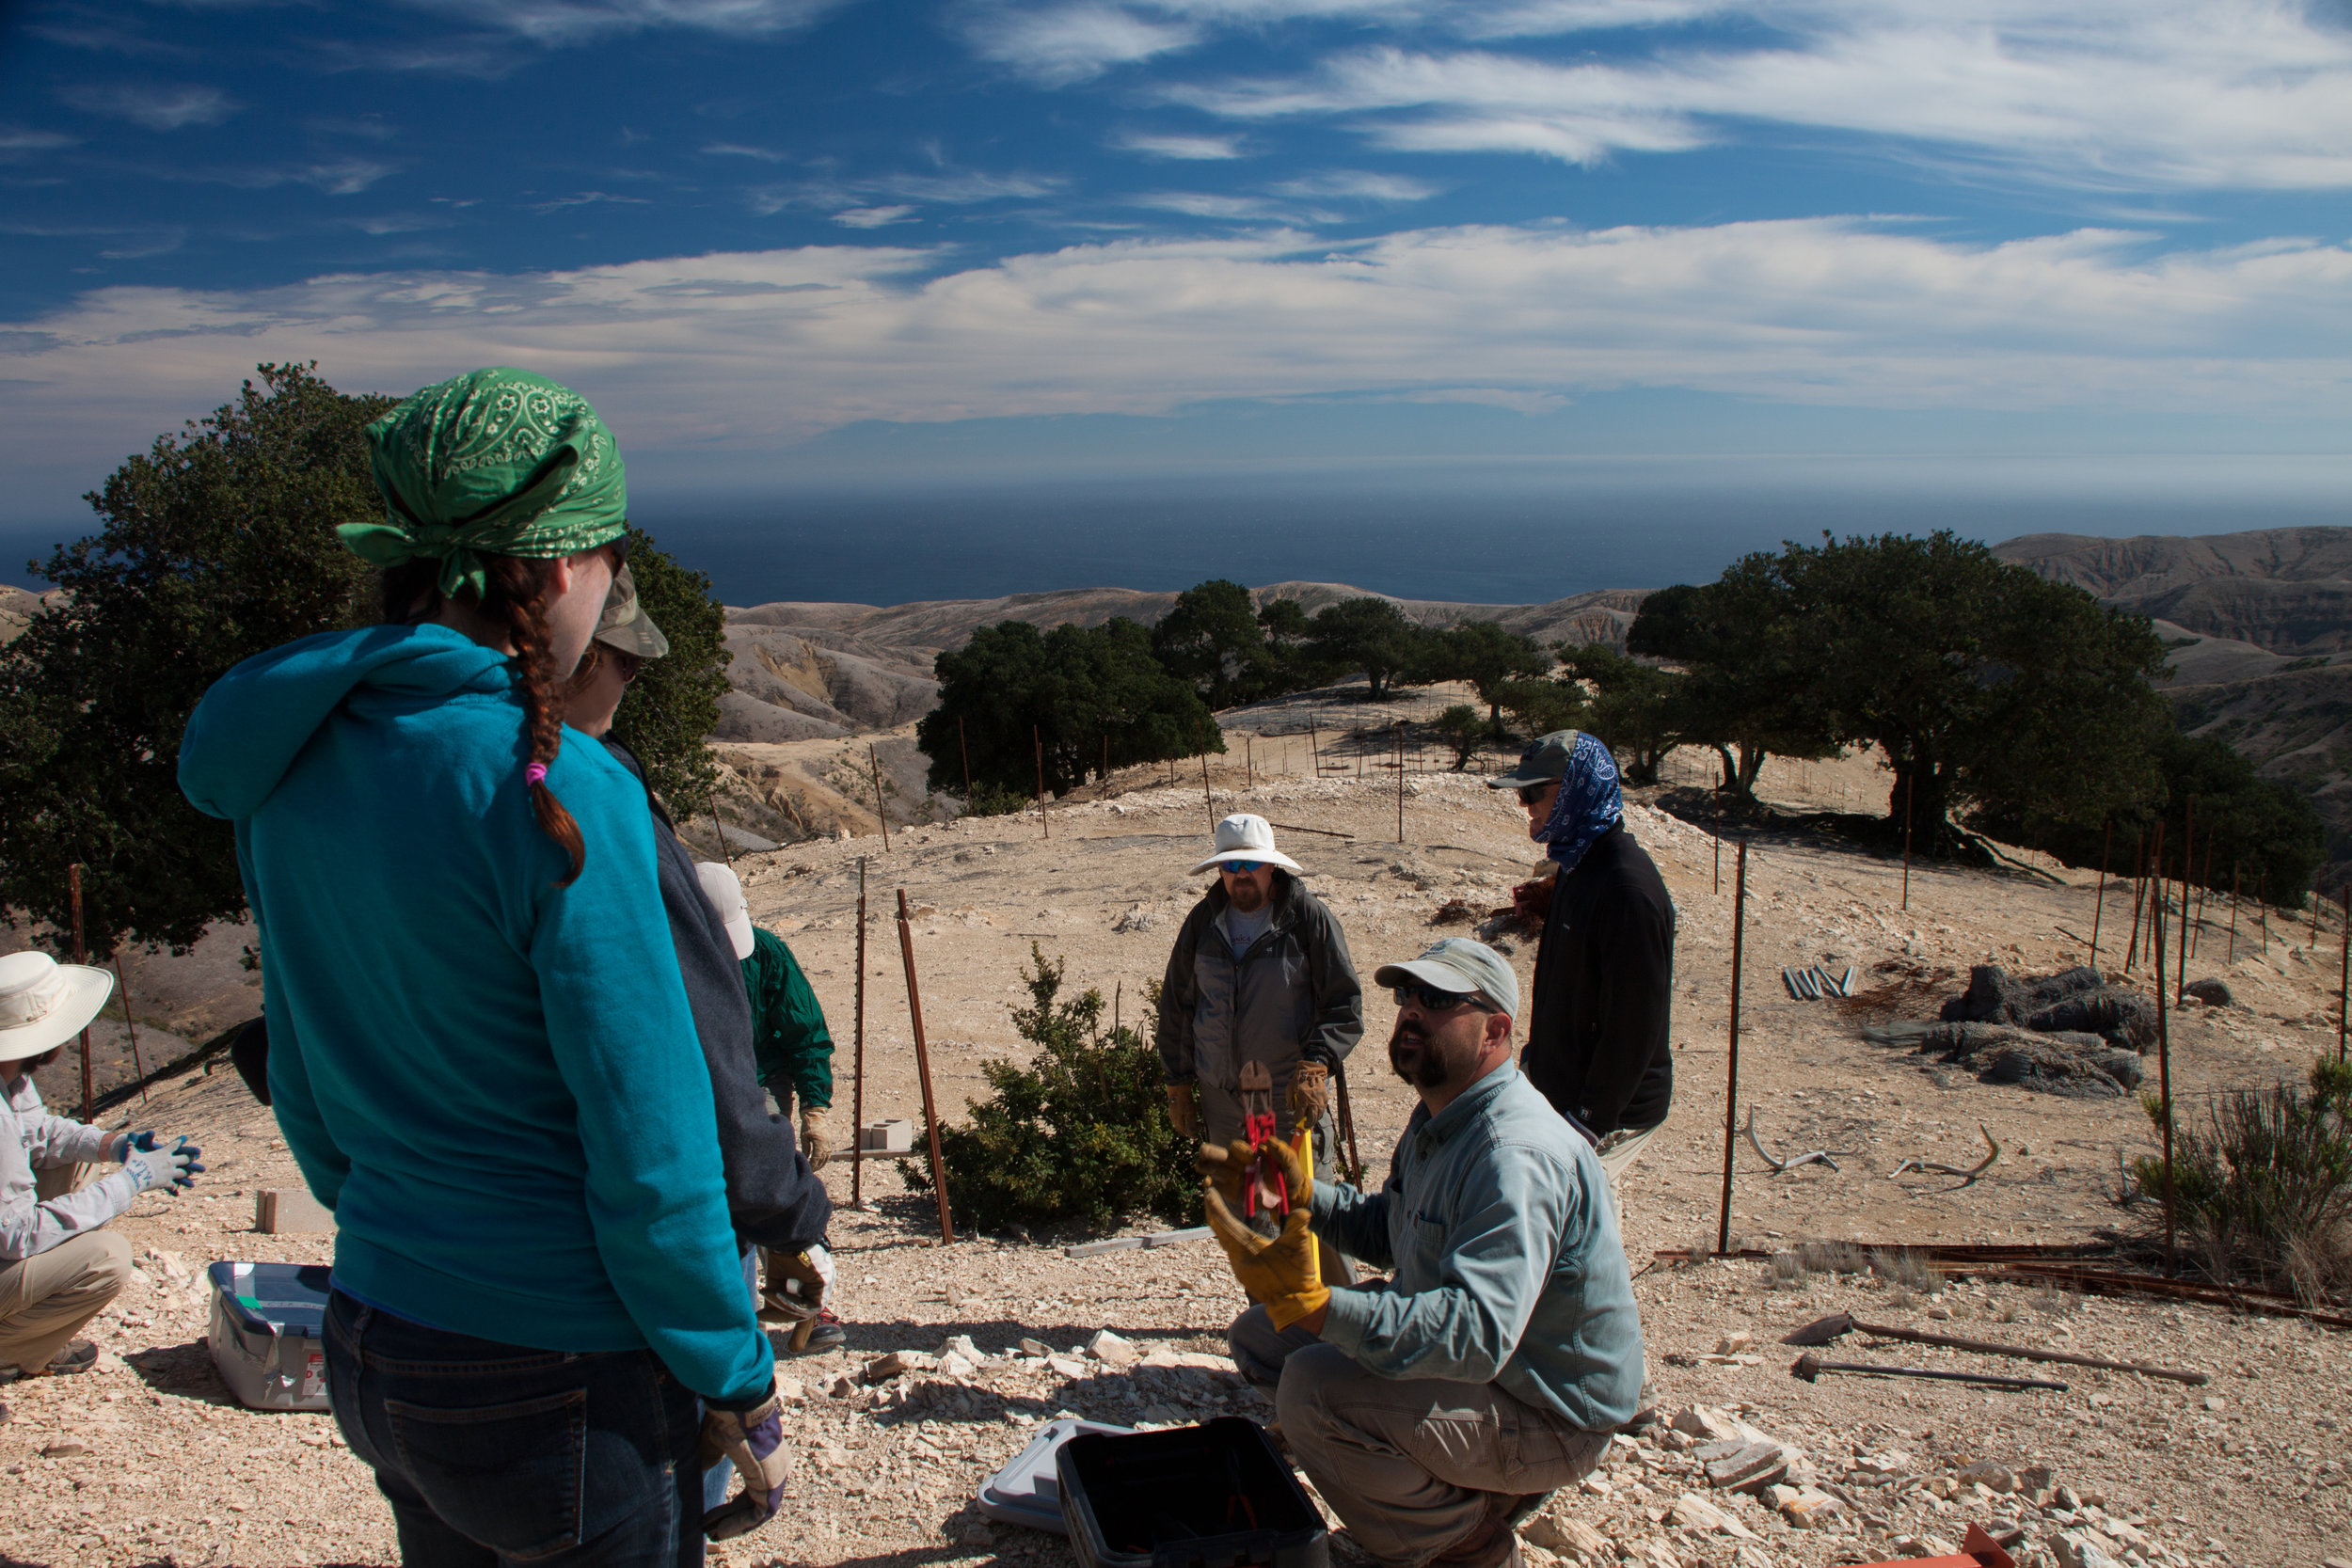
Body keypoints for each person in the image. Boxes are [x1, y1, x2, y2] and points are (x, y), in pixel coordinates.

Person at [179, 368, 788, 1565]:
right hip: (563, 1375)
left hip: (377, 1331)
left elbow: (303, 1074)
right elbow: (650, 1149)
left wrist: (409, 1237)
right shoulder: (566, 789)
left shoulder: (295, 764)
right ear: (566, 569)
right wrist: (737, 1371)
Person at [1201, 938, 1643, 1568]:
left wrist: (1322, 1308)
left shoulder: (1513, 1156)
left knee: (1310, 1388)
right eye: (1405, 995)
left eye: (1436, 999)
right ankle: (1428, 1480)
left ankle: (1469, 1543)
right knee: (1263, 1336)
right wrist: (1303, 1196)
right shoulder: (1442, 1117)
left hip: (1546, 1411)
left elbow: (1477, 1331)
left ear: (1495, 1030)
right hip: (1486, 1370)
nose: (1410, 1011)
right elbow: (1391, 1230)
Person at [561, 575, 840, 1358]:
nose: (634, 678)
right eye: (626, 661)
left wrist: (809, 1111)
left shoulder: (363, 773)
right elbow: (697, 1071)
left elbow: (805, 1035)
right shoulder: (593, 797)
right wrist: (786, 1204)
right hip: (610, 1253)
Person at [1156, 814, 1361, 1280]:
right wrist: (1178, 1084)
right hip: (1226, 1102)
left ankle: (1345, 1329)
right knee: (1249, 1219)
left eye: (1250, 864)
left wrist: (1317, 1065)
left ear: (1271, 867)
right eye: (1230, 866)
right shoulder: (1203, 923)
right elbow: (1178, 1006)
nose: (1240, 874)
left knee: (1309, 1211)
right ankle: (1272, 1330)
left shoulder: (1307, 919)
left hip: (1289, 1100)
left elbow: (1344, 1003)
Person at [0, 952, 201, 1380]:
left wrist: (113, 1145)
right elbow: (16, 1235)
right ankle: (12, 1348)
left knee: (78, 1168)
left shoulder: (10, 1075)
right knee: (107, 1259)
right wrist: (131, 1182)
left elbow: (38, 1132)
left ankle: (36, 1329)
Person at [1487, 731, 1676, 1186]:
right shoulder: (1578, 864)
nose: (1524, 805)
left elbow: (1634, 1026)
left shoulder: (1626, 890)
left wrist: (1588, 1122)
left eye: (1535, 792)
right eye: (1521, 793)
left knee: (1577, 1237)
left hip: (1608, 1112)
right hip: (1564, 1091)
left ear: (1578, 790)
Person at [692, 864, 835, 1172]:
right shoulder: (664, 961)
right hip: (693, 1090)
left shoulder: (766, 953)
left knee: (764, 1168)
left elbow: (804, 1031)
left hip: (761, 1081)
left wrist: (815, 1110)